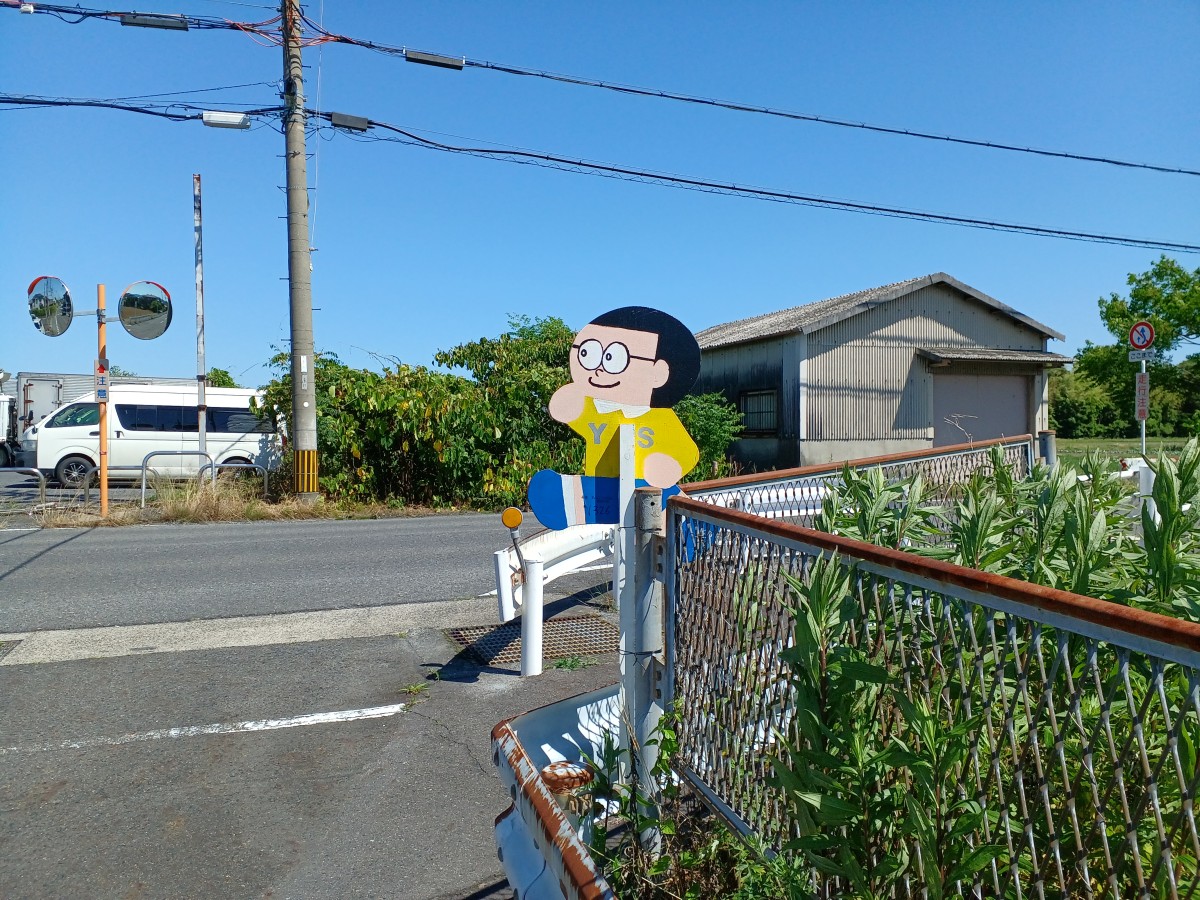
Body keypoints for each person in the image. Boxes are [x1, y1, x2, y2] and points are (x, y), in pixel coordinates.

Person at [528, 306, 700, 529]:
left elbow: (687, 451)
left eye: (614, 358)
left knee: (663, 503)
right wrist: (569, 402)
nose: (599, 370)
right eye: (587, 354)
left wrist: (667, 464)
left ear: (658, 374)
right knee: (591, 495)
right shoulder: (595, 408)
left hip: (648, 486)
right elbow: (566, 410)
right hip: (601, 482)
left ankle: (691, 530)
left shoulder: (662, 417)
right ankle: (567, 503)